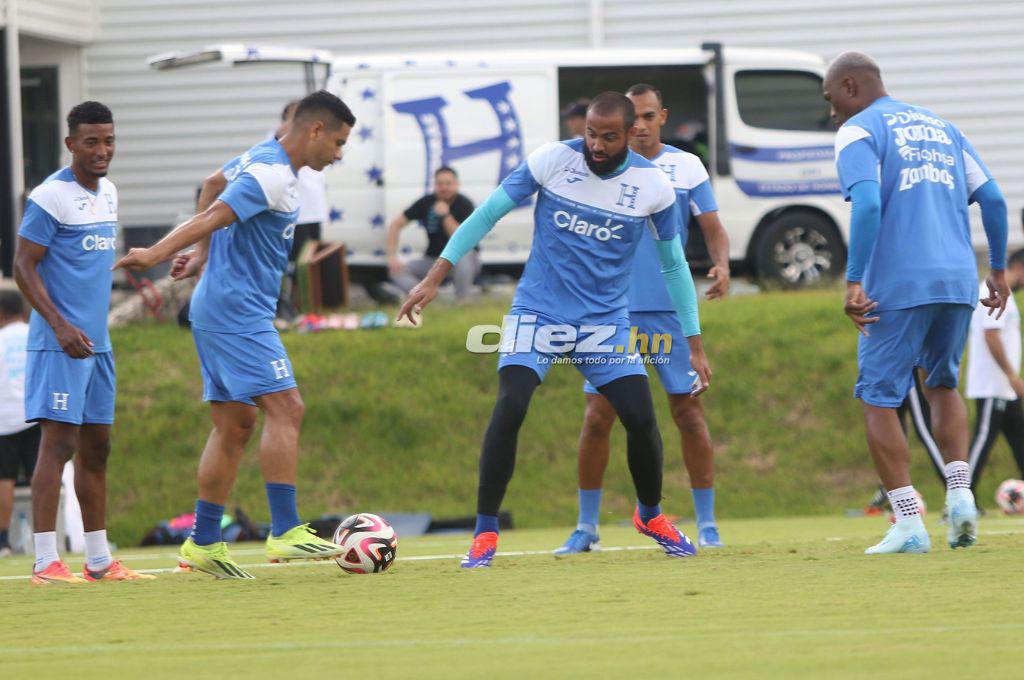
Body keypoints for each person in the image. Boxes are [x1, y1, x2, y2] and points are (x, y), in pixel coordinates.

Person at [399, 92, 712, 568]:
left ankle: (649, 515)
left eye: (609, 137)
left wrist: (694, 342)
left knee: (643, 420)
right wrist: (434, 277)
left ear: (630, 135)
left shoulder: (654, 188)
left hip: (605, 323)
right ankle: (484, 532)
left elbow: (674, 268)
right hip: (538, 312)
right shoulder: (552, 160)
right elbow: (486, 214)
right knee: (511, 404)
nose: (597, 145)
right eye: (591, 133)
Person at [114, 90, 356, 579]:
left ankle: (203, 542)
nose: (339, 154)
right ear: (314, 131)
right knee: (287, 408)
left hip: (220, 308)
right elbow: (211, 213)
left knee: (235, 424)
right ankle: (286, 531)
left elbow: (212, 183)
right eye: (338, 142)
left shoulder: (261, 158)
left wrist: (202, 255)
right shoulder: (271, 174)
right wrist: (158, 254)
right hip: (237, 312)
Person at [826, 52, 1010, 554]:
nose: (830, 114)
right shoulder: (943, 127)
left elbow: (867, 203)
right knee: (942, 382)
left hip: (899, 283)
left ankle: (908, 520)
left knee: (877, 397)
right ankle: (960, 494)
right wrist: (996, 269)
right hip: (957, 280)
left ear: (848, 85)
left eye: (830, 101)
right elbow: (992, 199)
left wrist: (855, 279)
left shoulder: (860, 130)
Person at [555, 83, 731, 555]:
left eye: (650, 117)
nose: (641, 126)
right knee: (598, 416)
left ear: (663, 117)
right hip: (608, 312)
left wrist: (723, 264)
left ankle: (708, 522)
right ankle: (586, 526)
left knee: (687, 411)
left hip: (670, 313)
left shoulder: (686, 166)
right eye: (635, 119)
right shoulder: (598, 167)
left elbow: (713, 227)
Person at [14, 101, 153, 583]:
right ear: (71, 143)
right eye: (91, 141)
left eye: (109, 140)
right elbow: (22, 267)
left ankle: (98, 559)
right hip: (60, 342)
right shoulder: (50, 196)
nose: (101, 150)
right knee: (58, 445)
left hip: (98, 345)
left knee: (99, 448)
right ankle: (46, 562)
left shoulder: (110, 192)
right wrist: (58, 325)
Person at [964, 249, 1024, 495]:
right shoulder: (994, 291)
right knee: (983, 439)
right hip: (992, 385)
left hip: (1005, 388)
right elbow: (991, 335)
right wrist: (1012, 376)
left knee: (1019, 438)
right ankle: (960, 498)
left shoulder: (1006, 295)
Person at [387, 166, 477, 300]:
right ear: (434, 185)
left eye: (448, 183)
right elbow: (395, 225)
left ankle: (462, 300)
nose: (444, 188)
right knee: (397, 270)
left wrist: (445, 215)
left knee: (464, 254)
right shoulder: (427, 202)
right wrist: (392, 256)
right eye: (440, 184)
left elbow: (462, 239)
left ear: (457, 185)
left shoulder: (465, 204)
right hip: (435, 260)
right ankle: (426, 297)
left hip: (462, 260)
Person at [0, 290, 38, 558]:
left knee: (5, 480)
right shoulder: (33, 334)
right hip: (34, 416)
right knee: (41, 477)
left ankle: (3, 542)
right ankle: (45, 537)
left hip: (4, 420)